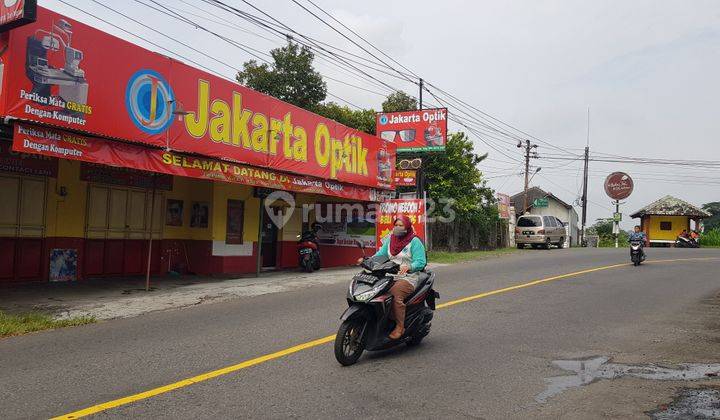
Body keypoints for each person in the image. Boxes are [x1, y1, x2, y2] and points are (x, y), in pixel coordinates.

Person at [358, 215, 426, 340]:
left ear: (407, 227)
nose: (397, 228)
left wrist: (409, 267)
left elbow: (421, 261)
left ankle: (400, 326)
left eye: (401, 225)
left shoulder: (414, 241)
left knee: (394, 295)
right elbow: (381, 255)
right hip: (389, 274)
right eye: (396, 225)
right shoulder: (391, 239)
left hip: (407, 277)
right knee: (374, 292)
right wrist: (367, 260)